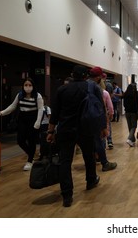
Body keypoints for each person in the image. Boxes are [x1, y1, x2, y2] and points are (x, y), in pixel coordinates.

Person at [47, 65, 106, 207]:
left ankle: (67, 195)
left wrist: (50, 131)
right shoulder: (91, 88)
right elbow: (101, 108)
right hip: (85, 128)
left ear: (72, 75)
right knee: (88, 155)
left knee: (65, 161)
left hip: (65, 129)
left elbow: (55, 113)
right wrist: (103, 127)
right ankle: (91, 180)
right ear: (86, 76)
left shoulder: (62, 89)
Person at [0, 77, 44, 171]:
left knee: (31, 140)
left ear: (33, 86)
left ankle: (30, 161)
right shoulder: (20, 95)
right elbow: (13, 106)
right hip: (23, 118)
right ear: (23, 86)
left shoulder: (37, 96)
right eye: (26, 85)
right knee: (20, 140)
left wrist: (38, 122)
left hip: (33, 118)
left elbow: (40, 109)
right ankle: (32, 154)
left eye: (30, 85)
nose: (28, 87)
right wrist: (2, 112)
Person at [88, 66, 117, 171]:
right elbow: (102, 107)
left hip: (83, 120)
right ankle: (104, 163)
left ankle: (91, 164)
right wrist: (104, 125)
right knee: (99, 140)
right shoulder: (98, 89)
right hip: (95, 119)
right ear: (99, 77)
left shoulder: (83, 85)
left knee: (88, 143)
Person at [123, 83, 138, 147]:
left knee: (130, 126)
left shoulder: (126, 94)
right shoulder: (136, 94)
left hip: (127, 112)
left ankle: (132, 139)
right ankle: (129, 139)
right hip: (134, 112)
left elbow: (124, 104)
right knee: (134, 126)